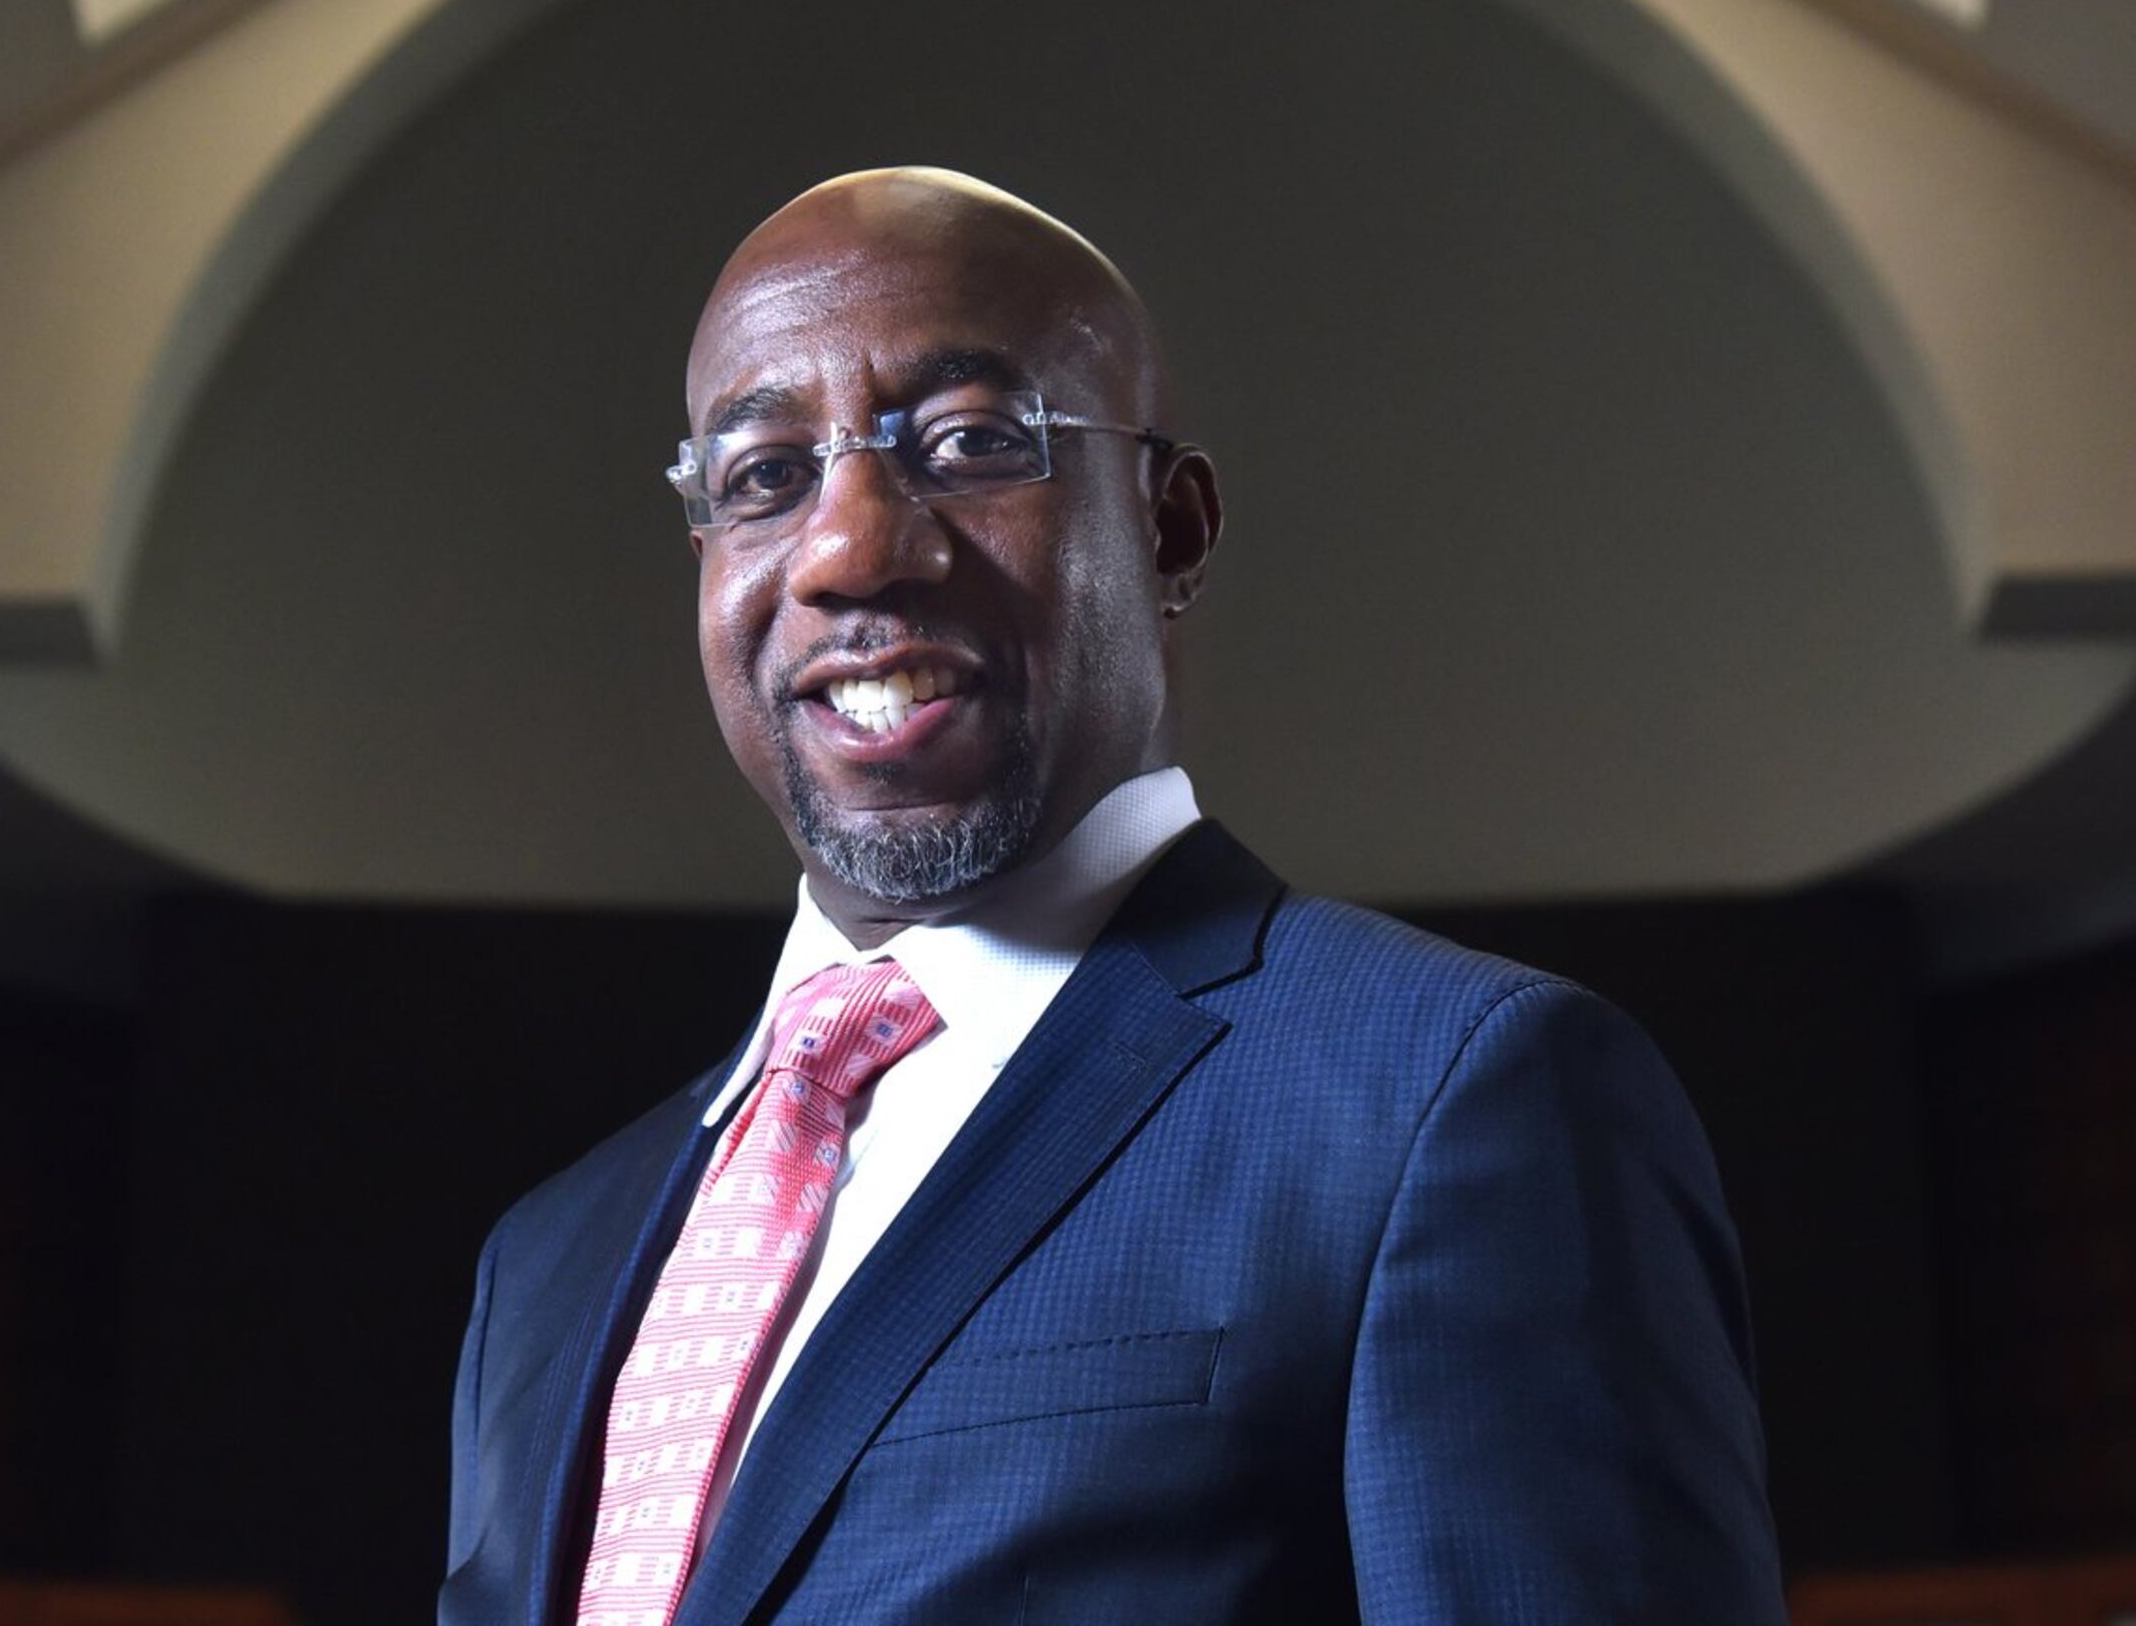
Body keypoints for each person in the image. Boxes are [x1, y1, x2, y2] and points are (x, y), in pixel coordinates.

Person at [439, 167, 1784, 1625]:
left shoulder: (1449, 1107)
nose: (848, 548)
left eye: (966, 443)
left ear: (1172, 528)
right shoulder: (552, 1261)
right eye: (767, 475)